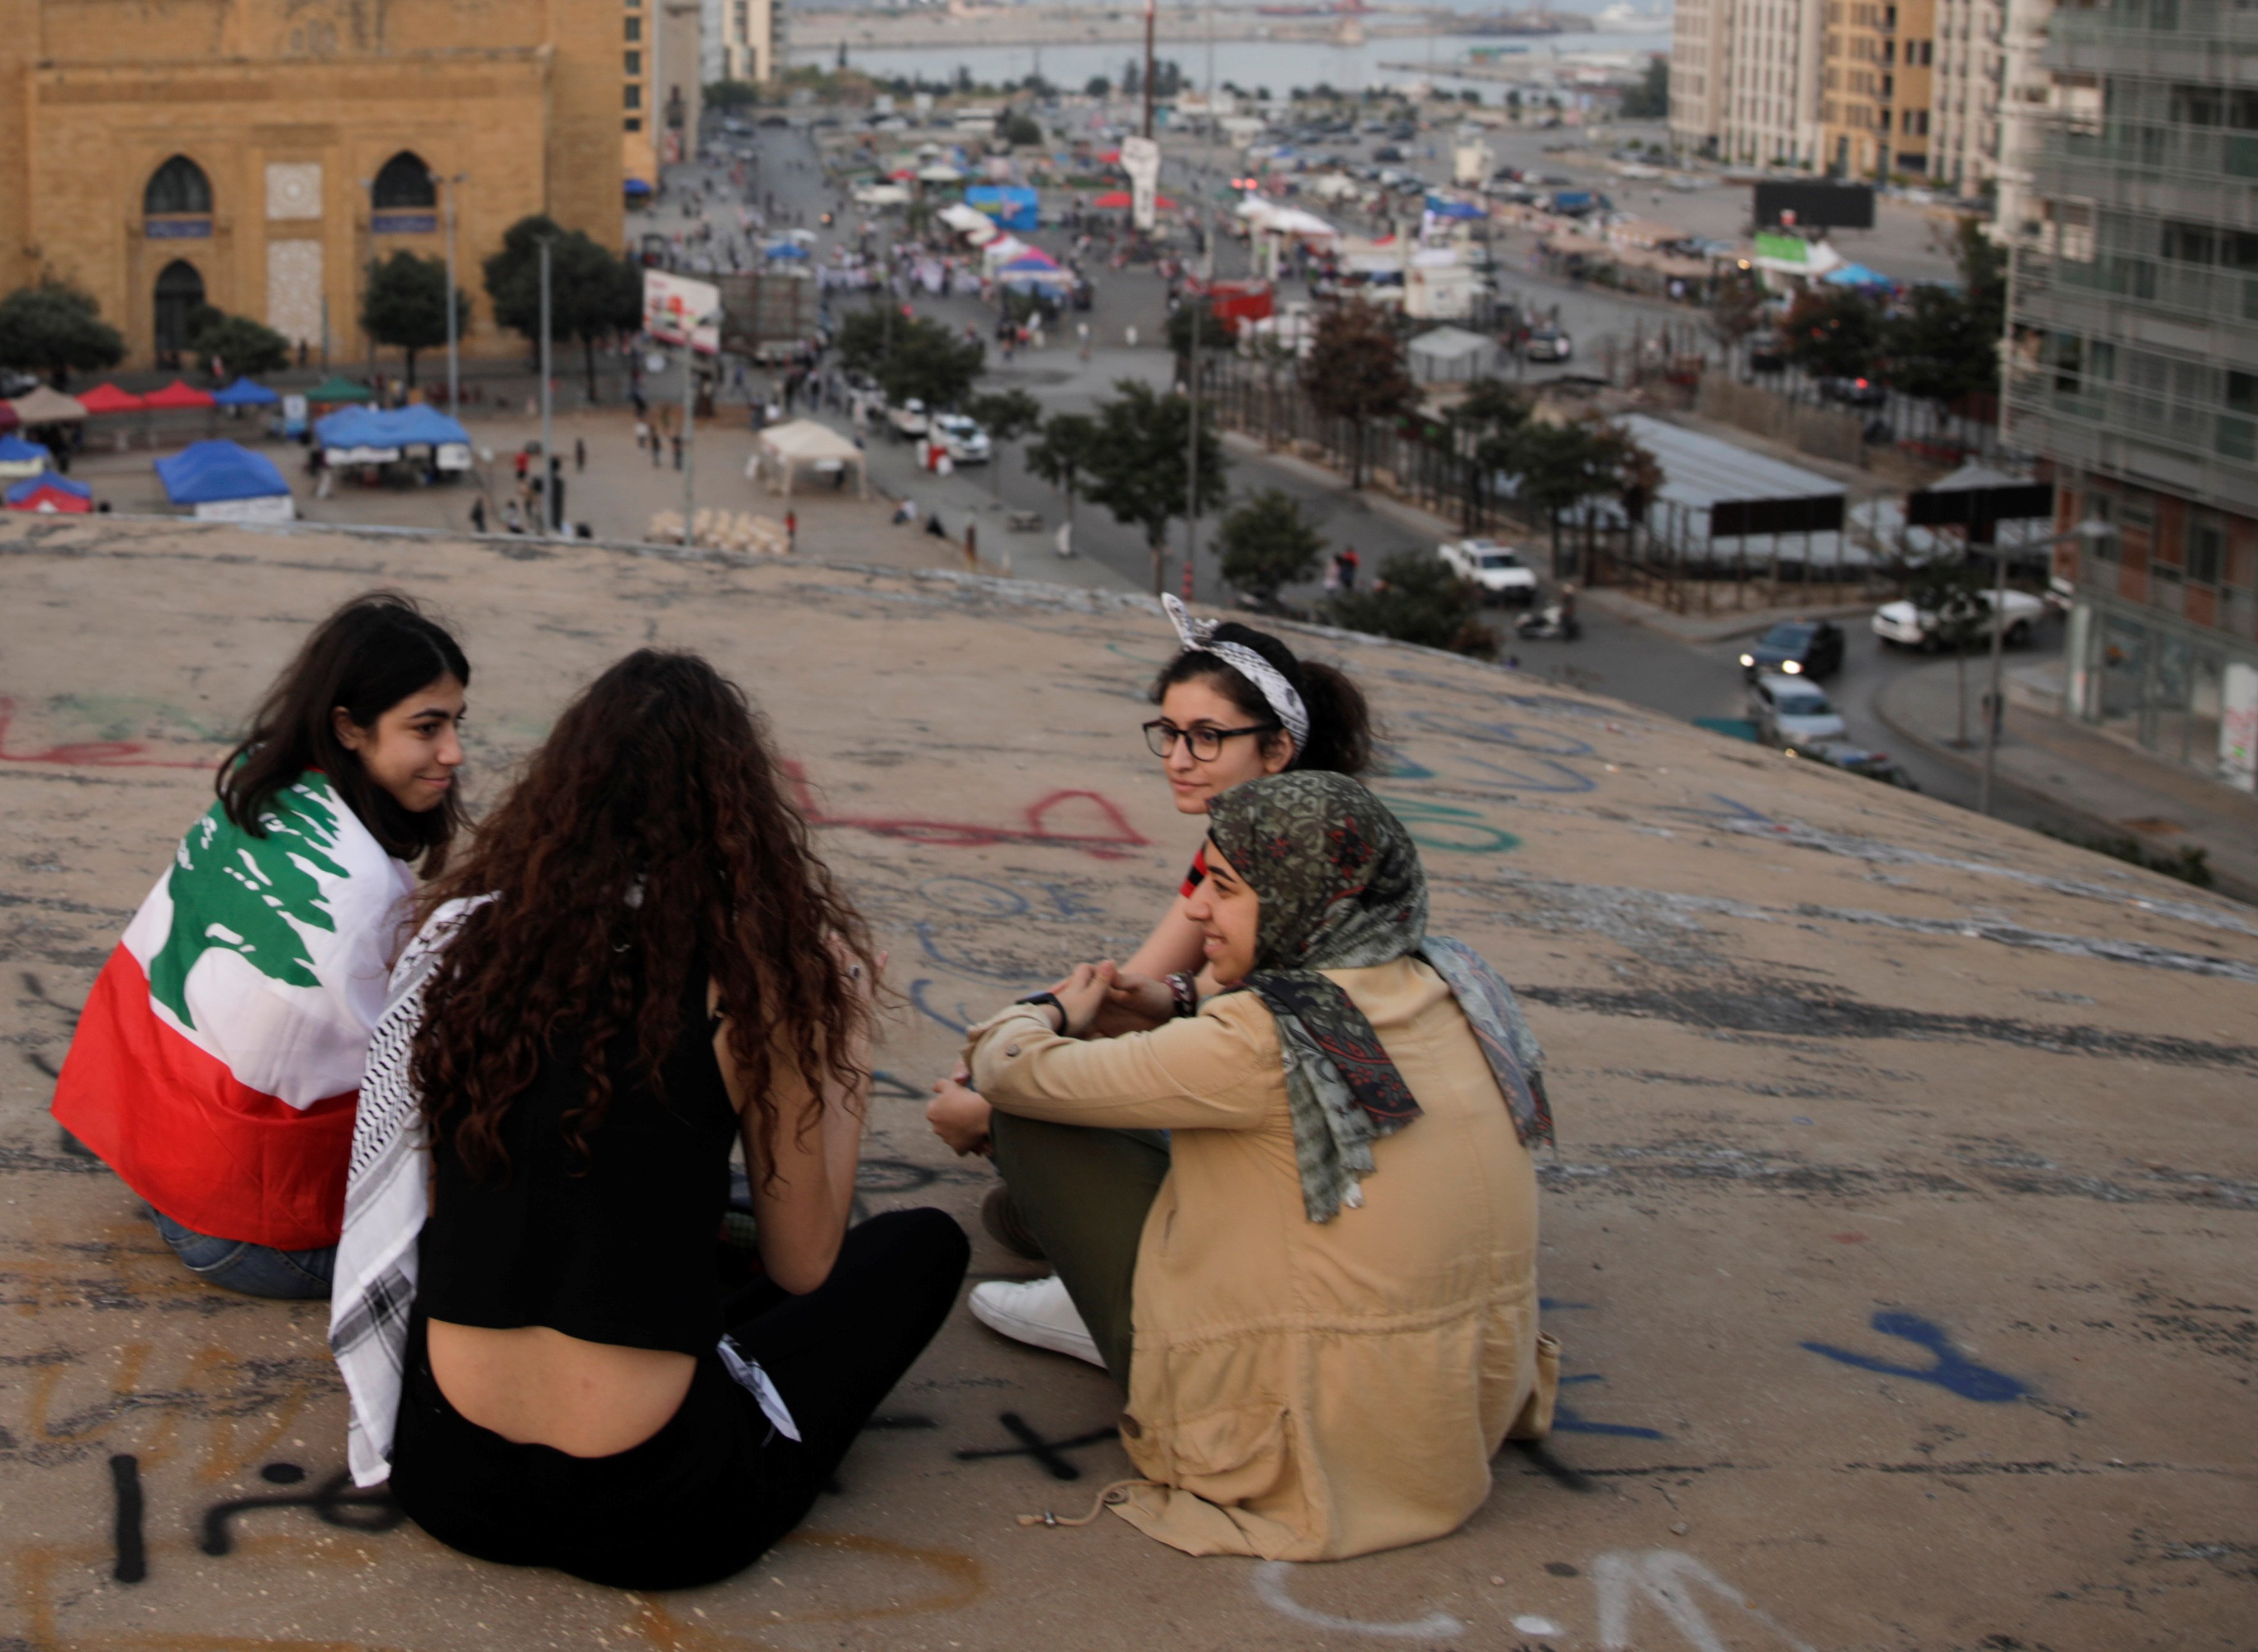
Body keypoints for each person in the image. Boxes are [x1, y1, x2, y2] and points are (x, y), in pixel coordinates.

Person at [333, 650, 966, 1592]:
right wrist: (840, 1035)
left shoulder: (462, 945)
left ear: (561, 795)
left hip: (452, 1478)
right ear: (735, 813)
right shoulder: (751, 987)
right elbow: (805, 1264)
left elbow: (448, 1204)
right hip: (653, 1511)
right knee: (919, 1248)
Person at [933, 773, 1559, 1560]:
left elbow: (1009, 1069)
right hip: (1456, 1408)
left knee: (1032, 1119)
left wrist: (1049, 1012)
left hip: (1303, 1431)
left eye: (1224, 888)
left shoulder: (1258, 1038)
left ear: (1303, 898)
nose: (1196, 909)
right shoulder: (1453, 977)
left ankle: (1091, 1305)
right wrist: (1174, 1005)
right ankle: (1055, 1232)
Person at [931, 602, 1375, 1363]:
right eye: (1168, 733)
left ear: (1276, 751)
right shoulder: (1238, 841)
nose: (1177, 756)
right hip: (1276, 1101)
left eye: (1206, 737)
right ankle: (1089, 1218)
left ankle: (1118, 1290)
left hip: (1312, 1153)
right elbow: (1141, 981)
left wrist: (1002, 1096)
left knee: (1027, 1107)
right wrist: (1058, 1030)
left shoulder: (1300, 866)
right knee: (1051, 1056)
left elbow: (1242, 1031)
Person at [51, 593, 474, 1298]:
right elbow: (417, 1085)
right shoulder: (365, 891)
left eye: (458, 723)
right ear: (349, 728)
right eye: (427, 727)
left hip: (155, 1160)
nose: (454, 752)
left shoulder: (261, 787)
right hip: (246, 1233)